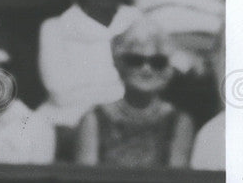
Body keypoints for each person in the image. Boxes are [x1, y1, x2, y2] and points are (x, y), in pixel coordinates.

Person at [35, 0, 140, 156]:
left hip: (126, 120)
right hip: (67, 121)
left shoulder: (137, 21)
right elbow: (60, 92)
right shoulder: (56, 28)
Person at [75, 18, 195, 168]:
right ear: (119, 64)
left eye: (157, 62)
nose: (146, 69)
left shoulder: (178, 122)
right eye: (136, 60)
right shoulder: (94, 120)